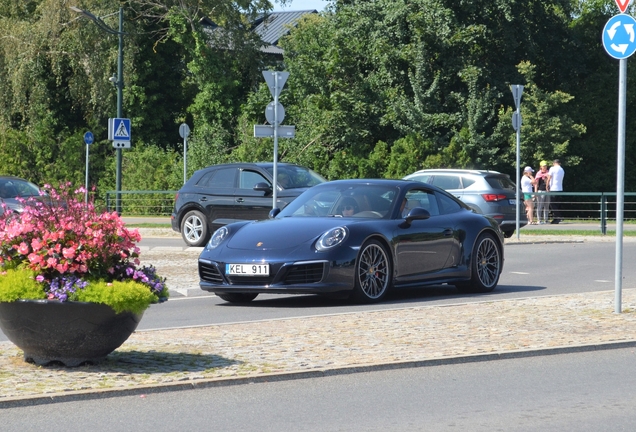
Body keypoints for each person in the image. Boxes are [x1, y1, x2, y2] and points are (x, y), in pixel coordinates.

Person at [548, 159, 565, 224]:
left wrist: (547, 185)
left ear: (554, 163)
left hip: (553, 188)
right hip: (560, 188)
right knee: (556, 204)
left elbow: (549, 178)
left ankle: (558, 216)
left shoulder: (552, 168)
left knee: (552, 203)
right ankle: (556, 218)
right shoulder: (562, 170)